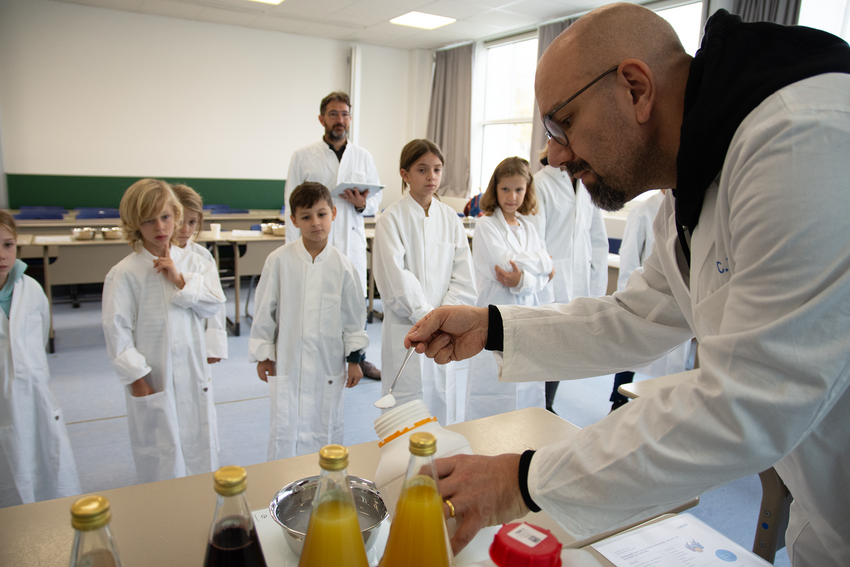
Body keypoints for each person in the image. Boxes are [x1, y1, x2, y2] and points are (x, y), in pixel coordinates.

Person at [405, 4, 850, 565]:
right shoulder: (688, 189)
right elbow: (636, 315)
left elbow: (748, 403)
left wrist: (521, 479)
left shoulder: (800, 144)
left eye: (562, 124)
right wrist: (493, 325)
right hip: (829, 515)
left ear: (636, 88)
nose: (554, 154)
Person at [102, 179, 225, 483]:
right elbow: (117, 334)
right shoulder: (124, 274)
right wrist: (139, 382)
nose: (160, 226)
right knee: (162, 461)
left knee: (201, 456)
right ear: (134, 224)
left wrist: (180, 280)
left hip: (195, 378)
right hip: (154, 382)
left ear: (176, 215)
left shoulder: (194, 262)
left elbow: (213, 304)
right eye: (148, 220)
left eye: (166, 217)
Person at [249, 182, 368, 459]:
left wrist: (354, 360)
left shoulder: (343, 266)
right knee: (285, 435)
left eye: (322, 214)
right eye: (306, 217)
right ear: (293, 220)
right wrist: (264, 355)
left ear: (334, 214)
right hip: (288, 363)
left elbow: (353, 318)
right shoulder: (279, 261)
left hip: (327, 367)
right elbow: (265, 310)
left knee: (325, 435)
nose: (316, 223)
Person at [372, 139, 476, 425]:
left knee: (442, 406)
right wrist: (430, 318)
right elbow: (396, 281)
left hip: (444, 332)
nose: (432, 177)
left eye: (437, 170)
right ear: (404, 174)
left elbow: (464, 276)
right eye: (422, 169)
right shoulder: (390, 219)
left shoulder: (450, 219)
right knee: (407, 411)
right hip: (409, 329)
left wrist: (447, 316)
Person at [285, 91, 381, 380]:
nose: (340, 120)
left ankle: (359, 358)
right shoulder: (303, 156)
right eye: (333, 114)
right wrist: (294, 251)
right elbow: (291, 202)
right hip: (313, 241)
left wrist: (361, 203)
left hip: (350, 240)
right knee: (316, 300)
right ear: (321, 119)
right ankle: (315, 356)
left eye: (344, 114)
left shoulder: (363, 156)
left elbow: (375, 202)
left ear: (350, 118)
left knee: (353, 301)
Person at [0, 211, 81, 507]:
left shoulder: (31, 289)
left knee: (48, 471)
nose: (2, 255)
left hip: (37, 394)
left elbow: (39, 335)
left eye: (8, 245)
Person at [465, 157, 553, 421]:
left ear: (527, 191)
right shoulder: (486, 225)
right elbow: (505, 266)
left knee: (527, 391)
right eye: (505, 189)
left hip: (527, 317)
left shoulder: (530, 226)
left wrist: (527, 279)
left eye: (518, 189)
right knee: (492, 391)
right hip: (496, 315)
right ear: (495, 189)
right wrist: (542, 266)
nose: (512, 196)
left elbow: (544, 271)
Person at [528, 147, 608, 412]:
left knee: (565, 345)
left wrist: (597, 285)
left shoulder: (587, 182)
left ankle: (548, 403)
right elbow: (535, 239)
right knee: (547, 344)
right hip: (551, 280)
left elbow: (597, 238)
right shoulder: (541, 183)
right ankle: (543, 404)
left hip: (580, 278)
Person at [609, 189, 691, 411]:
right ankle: (618, 399)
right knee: (631, 351)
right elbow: (628, 259)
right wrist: (627, 299)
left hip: (681, 302)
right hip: (645, 295)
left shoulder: (691, 204)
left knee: (669, 367)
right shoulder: (643, 210)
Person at [172, 184, 228, 365]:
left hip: (196, 332)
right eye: (179, 222)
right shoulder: (153, 256)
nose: (186, 230)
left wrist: (214, 345)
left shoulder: (202, 255)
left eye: (192, 222)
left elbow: (216, 302)